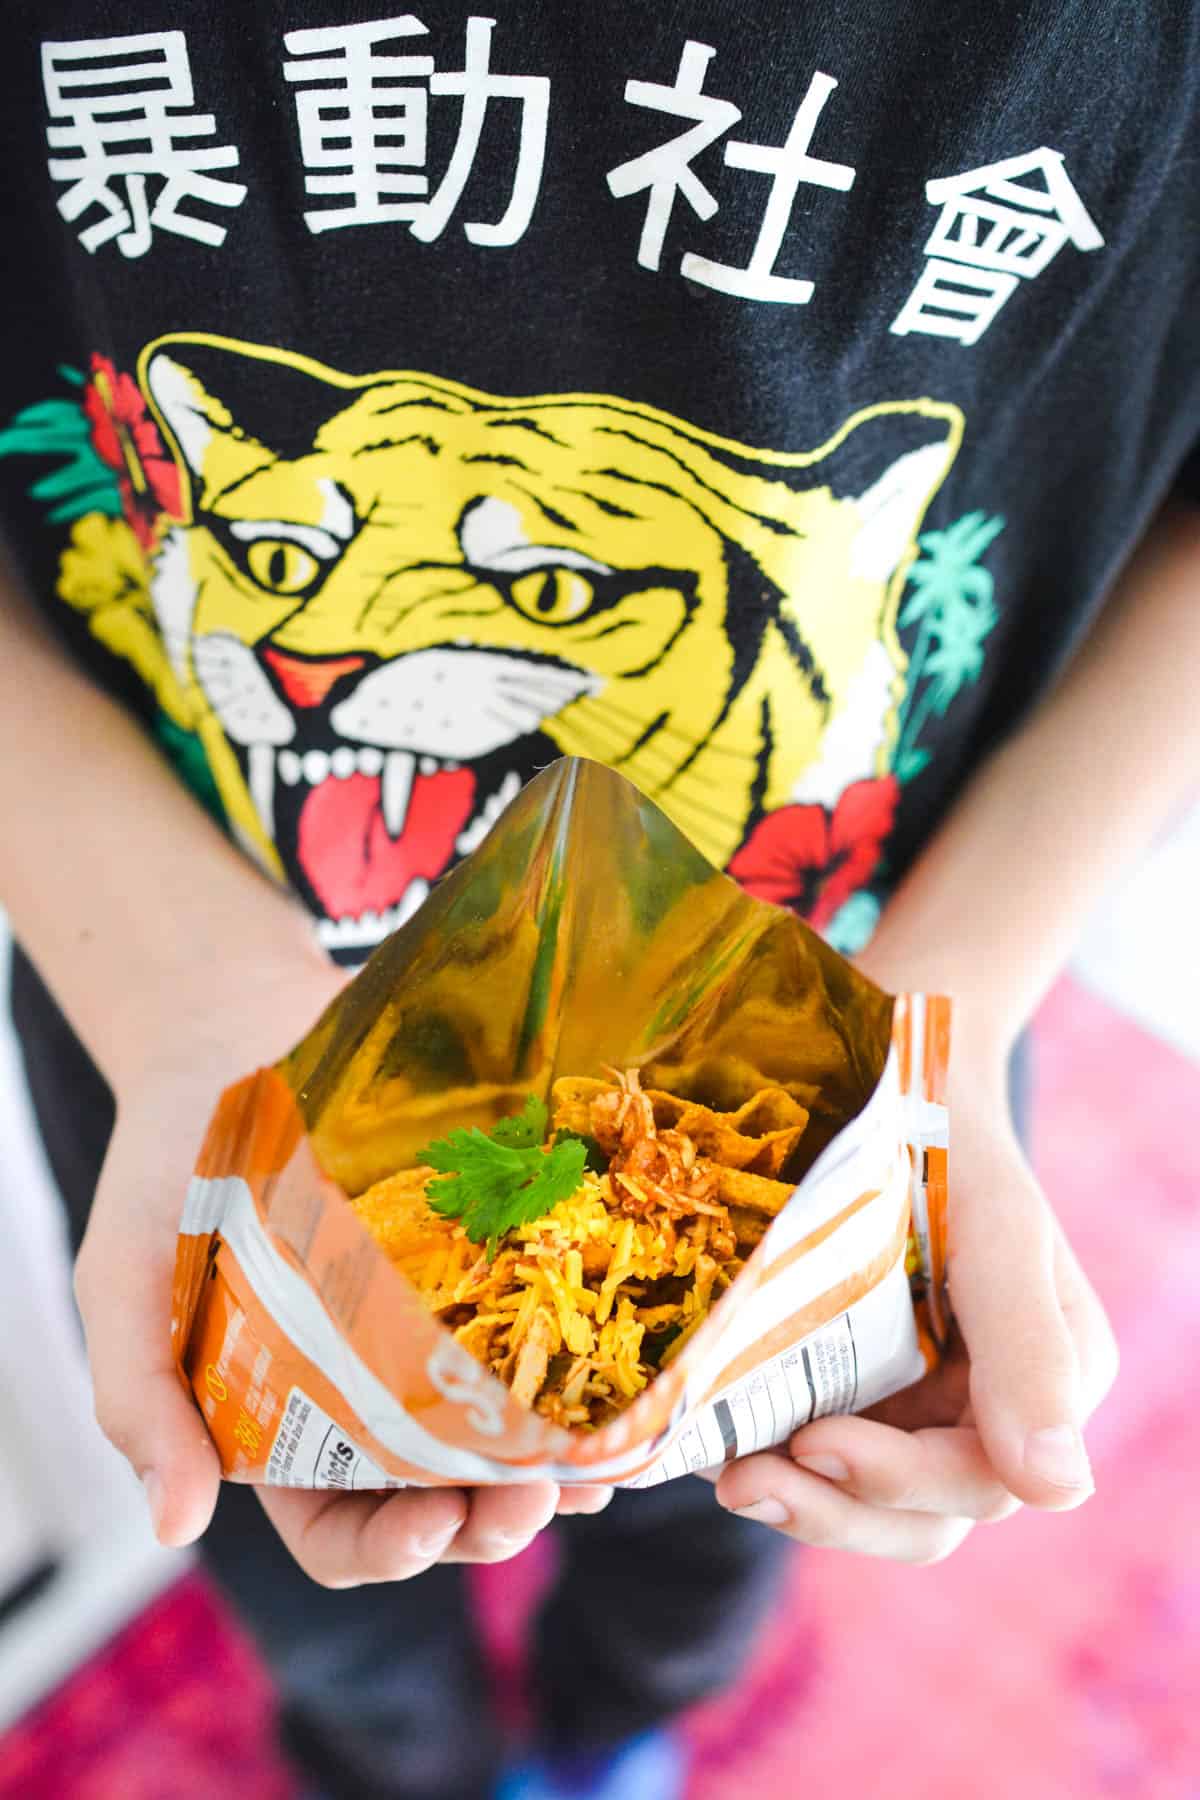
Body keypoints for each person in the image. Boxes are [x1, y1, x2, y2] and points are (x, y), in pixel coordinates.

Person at [3, 2, 1195, 1794]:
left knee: (729, 1541)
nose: (331, 649)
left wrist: (945, 1014)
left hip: (864, 1028)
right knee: (319, 1597)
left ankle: (615, 1727)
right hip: (181, 1003)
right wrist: (178, 994)